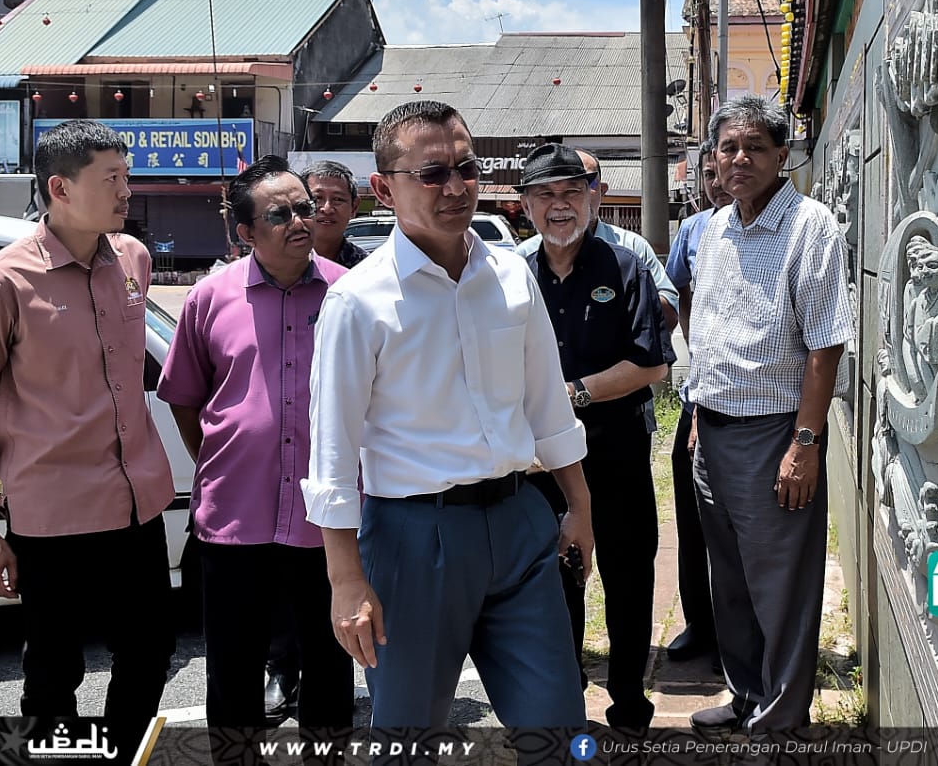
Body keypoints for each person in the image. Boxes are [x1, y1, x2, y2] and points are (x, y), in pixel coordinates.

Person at [302, 100, 593, 730]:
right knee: (409, 736)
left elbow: (547, 403)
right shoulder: (357, 301)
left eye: (466, 167)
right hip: (413, 538)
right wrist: (345, 579)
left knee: (557, 724)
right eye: (432, 174)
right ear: (383, 189)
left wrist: (579, 506)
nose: (456, 187)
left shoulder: (513, 274)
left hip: (521, 524)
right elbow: (331, 452)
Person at [0, 119, 176, 759]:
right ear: (59, 186)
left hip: (138, 502)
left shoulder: (133, 259)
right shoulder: (2, 283)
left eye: (127, 176)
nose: (126, 192)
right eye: (110, 179)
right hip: (53, 515)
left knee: (150, 651)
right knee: (54, 672)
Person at [157, 155, 353, 764]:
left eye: (306, 207)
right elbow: (186, 399)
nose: (303, 219)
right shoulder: (210, 297)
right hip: (234, 518)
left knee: (329, 663)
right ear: (245, 233)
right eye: (282, 213)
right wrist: (226, 460)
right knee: (234, 670)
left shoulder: (350, 295)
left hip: (327, 521)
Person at [686, 95, 855, 731]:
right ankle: (748, 696)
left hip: (775, 434)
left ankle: (782, 721)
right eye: (728, 147)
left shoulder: (810, 226)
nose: (739, 159)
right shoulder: (715, 227)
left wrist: (804, 443)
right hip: (713, 431)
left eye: (755, 147)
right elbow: (710, 327)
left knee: (779, 587)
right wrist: (699, 415)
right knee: (728, 581)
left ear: (782, 155)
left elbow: (824, 344)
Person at [519, 143, 674, 730]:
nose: (558, 207)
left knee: (629, 579)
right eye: (544, 195)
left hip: (619, 453)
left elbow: (651, 364)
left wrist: (571, 394)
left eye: (569, 193)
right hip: (540, 465)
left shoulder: (625, 266)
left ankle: (630, 700)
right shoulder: (512, 275)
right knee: (556, 583)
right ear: (525, 205)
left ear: (590, 198)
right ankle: (564, 695)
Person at [262, 159, 367, 724]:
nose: (319, 211)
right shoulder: (247, 274)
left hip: (341, 475)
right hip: (270, 480)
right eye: (310, 199)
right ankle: (281, 670)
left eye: (330, 201)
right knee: (281, 596)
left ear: (355, 208)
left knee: (340, 591)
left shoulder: (365, 280)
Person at [663, 138, 732, 669]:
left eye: (721, 169)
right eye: (707, 173)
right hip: (698, 394)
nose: (716, 181)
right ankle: (699, 625)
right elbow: (680, 295)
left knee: (738, 525)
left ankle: (743, 634)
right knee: (691, 520)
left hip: (751, 402)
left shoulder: (784, 227)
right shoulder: (693, 229)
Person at [518, 149, 679, 331]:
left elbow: (668, 315)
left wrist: (624, 300)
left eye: (574, 188)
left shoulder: (631, 254)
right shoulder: (522, 259)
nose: (561, 203)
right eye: (546, 193)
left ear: (596, 191)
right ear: (526, 206)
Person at [303, 159, 369, 269]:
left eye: (338, 199)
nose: (327, 209)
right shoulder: (277, 262)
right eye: (317, 198)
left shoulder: (367, 268)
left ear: (354, 207)